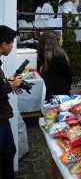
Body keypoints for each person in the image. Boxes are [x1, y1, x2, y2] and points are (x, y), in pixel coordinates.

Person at [0, 25, 23, 179]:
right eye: (12, 42)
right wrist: (9, 85)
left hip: (2, 116)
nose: (12, 46)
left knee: (8, 151)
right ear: (3, 44)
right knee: (6, 152)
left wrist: (7, 82)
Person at [44, 31, 72, 102]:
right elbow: (66, 71)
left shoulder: (48, 53)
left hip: (51, 84)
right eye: (61, 39)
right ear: (56, 41)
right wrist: (71, 80)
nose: (62, 40)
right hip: (61, 85)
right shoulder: (59, 55)